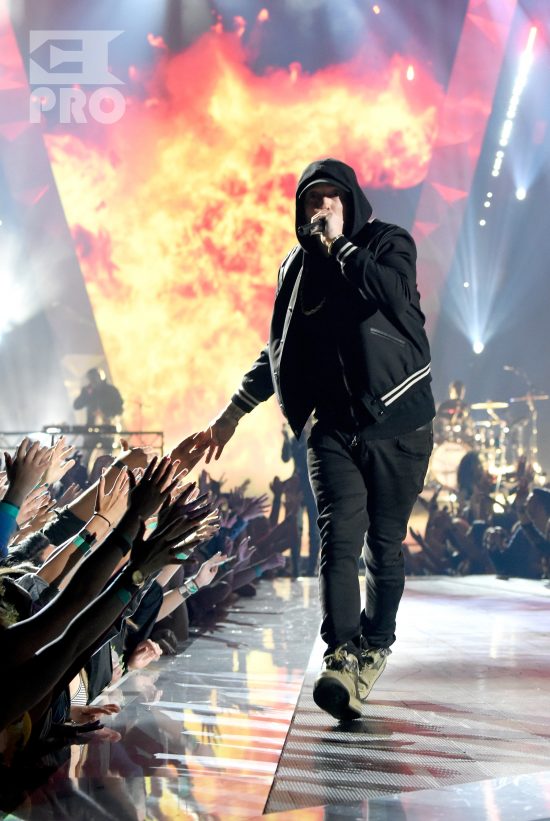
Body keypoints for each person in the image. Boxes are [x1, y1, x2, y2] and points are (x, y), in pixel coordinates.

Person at [194, 158, 435, 720]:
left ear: (351, 202)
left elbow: (394, 298)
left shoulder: (387, 243)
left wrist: (342, 250)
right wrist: (231, 414)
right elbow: (279, 350)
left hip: (398, 423)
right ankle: (340, 656)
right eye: (311, 200)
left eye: (332, 198)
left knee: (385, 545)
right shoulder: (296, 268)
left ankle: (375, 646)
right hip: (330, 427)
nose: (321, 208)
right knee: (339, 540)